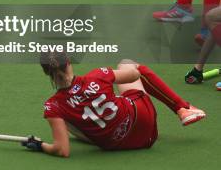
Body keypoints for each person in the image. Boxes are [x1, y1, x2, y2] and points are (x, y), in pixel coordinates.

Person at [21, 52, 206, 157]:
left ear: (46, 73)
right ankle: (182, 108)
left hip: (121, 144)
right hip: (144, 120)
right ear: (69, 63)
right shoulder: (98, 75)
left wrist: (40, 145)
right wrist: (106, 84)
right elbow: (135, 75)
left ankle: (104, 130)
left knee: (66, 120)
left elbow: (62, 150)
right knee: (128, 63)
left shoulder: (53, 106)